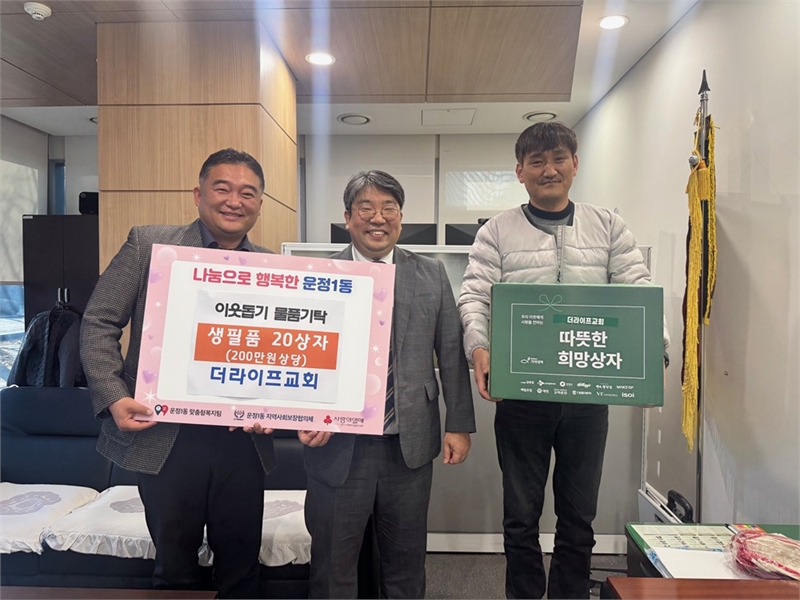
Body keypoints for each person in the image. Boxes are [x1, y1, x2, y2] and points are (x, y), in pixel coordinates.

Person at [458, 122, 670, 599]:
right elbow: (473, 297)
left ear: (575, 164)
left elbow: (639, 291)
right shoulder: (497, 230)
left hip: (587, 398)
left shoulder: (607, 226)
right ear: (520, 171)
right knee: (520, 518)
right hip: (521, 397)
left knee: (579, 518)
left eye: (558, 158)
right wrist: (479, 347)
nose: (548, 169)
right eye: (536, 161)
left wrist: (652, 351)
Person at [80, 148, 275, 599]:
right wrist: (113, 395)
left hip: (242, 443)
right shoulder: (149, 245)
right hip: (166, 437)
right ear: (198, 194)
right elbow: (98, 321)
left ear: (260, 204)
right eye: (222, 188)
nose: (234, 201)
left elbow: (277, 353)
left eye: (248, 193)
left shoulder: (273, 268)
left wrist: (277, 408)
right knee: (174, 570)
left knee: (242, 569)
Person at [298, 170, 476, 599]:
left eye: (388, 208)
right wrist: (302, 414)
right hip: (338, 444)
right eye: (366, 208)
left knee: (405, 565)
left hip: (408, 445)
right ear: (347, 217)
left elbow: (451, 351)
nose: (378, 218)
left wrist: (459, 424)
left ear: (400, 216)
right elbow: (297, 352)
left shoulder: (430, 273)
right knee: (333, 567)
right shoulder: (318, 274)